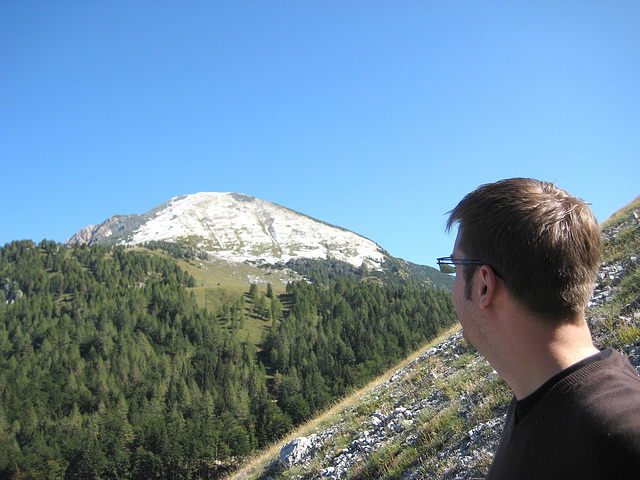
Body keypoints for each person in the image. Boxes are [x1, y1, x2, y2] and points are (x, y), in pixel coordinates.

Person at [438, 178, 640, 479]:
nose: (453, 285)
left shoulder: (623, 436)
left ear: (483, 285)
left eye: (455, 267)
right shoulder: (539, 401)